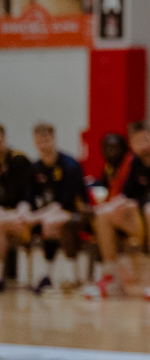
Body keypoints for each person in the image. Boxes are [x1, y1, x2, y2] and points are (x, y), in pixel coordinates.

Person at [83, 120, 150, 301]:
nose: (143, 145)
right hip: (146, 218)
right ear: (131, 143)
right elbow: (128, 194)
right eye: (138, 141)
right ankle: (110, 278)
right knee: (104, 213)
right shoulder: (134, 162)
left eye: (146, 139)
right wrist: (119, 203)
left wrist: (135, 203)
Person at [22, 121, 87, 292]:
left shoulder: (70, 165)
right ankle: (49, 277)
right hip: (47, 214)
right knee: (29, 220)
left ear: (54, 139)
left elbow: (65, 202)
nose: (43, 145)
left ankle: (66, 276)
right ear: (34, 142)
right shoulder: (35, 168)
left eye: (46, 140)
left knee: (51, 222)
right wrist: (24, 211)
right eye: (39, 141)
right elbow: (28, 197)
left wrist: (37, 216)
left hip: (76, 214)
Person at [0, 124, 31, 291]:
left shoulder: (19, 160)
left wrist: (20, 212)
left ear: (4, 139)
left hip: (21, 213)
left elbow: (27, 195)